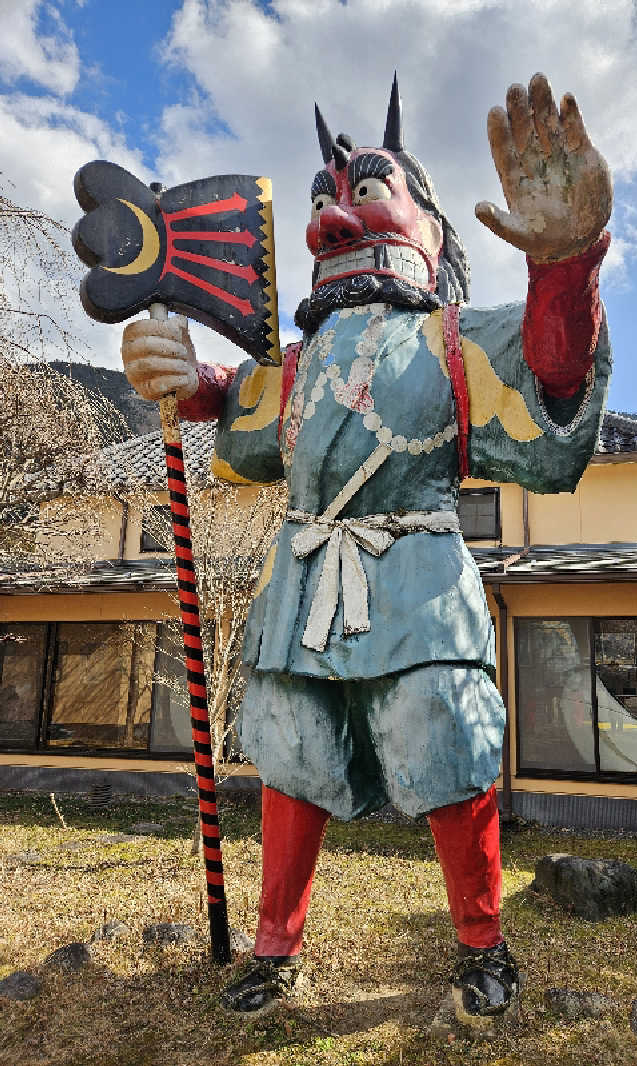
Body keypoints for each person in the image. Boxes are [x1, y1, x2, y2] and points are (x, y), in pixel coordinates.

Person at [121, 72, 612, 1025]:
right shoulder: (292, 365)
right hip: (305, 577)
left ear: (430, 225)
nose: (331, 224)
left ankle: (480, 941)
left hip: (419, 571)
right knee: (291, 749)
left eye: (368, 191)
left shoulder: (452, 341)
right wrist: (189, 380)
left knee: (446, 735)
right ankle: (275, 947)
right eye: (322, 204)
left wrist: (566, 266)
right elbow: (240, 416)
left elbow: (552, 373)